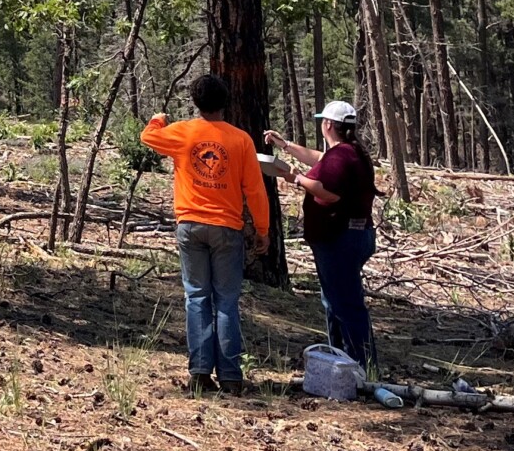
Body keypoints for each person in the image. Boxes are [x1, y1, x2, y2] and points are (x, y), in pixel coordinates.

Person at [141, 73, 271, 395]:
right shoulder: (240, 140)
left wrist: (158, 118)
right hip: (227, 229)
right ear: (225, 102)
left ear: (196, 103)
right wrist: (263, 230)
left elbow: (148, 136)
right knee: (226, 301)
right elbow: (255, 190)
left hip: (190, 227)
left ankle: (199, 372)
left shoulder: (183, 133)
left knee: (197, 297)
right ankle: (230, 376)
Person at [266, 99, 379, 373]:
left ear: (328, 124)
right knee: (336, 300)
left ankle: (360, 366)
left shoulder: (341, 156)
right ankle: (343, 360)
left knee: (345, 303)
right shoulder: (349, 153)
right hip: (350, 237)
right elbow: (320, 159)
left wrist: (295, 179)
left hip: (340, 239)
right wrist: (286, 146)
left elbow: (328, 191)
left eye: (322, 122)